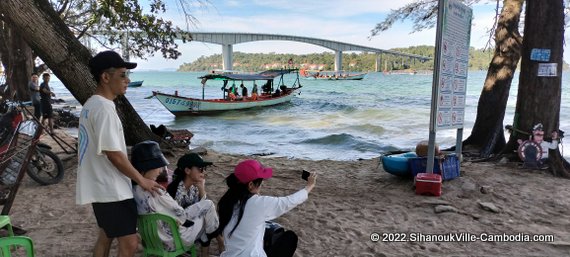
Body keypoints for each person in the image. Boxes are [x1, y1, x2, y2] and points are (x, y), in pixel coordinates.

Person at [77, 50, 162, 257]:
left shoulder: (91, 104)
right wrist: (141, 180)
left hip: (99, 185)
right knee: (130, 243)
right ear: (105, 77)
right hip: (111, 188)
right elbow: (113, 154)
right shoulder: (104, 109)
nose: (127, 80)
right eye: (122, 75)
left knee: (106, 236)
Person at [131, 142, 220, 255]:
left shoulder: (132, 190)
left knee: (206, 210)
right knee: (207, 209)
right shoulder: (157, 190)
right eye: (158, 166)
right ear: (148, 167)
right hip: (172, 241)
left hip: (150, 240)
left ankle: (216, 240)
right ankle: (216, 242)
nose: (160, 171)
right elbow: (181, 215)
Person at [218, 159, 317, 257]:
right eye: (260, 182)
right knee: (289, 238)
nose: (261, 185)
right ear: (251, 185)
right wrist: (309, 186)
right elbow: (289, 202)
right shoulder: (258, 203)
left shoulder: (226, 202)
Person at [166, 153, 224, 255]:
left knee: (206, 217)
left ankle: (205, 254)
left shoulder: (193, 188)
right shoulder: (176, 189)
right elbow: (175, 217)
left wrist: (202, 189)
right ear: (187, 171)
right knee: (209, 205)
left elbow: (201, 210)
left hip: (186, 228)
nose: (203, 172)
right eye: (200, 169)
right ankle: (220, 240)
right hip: (174, 234)